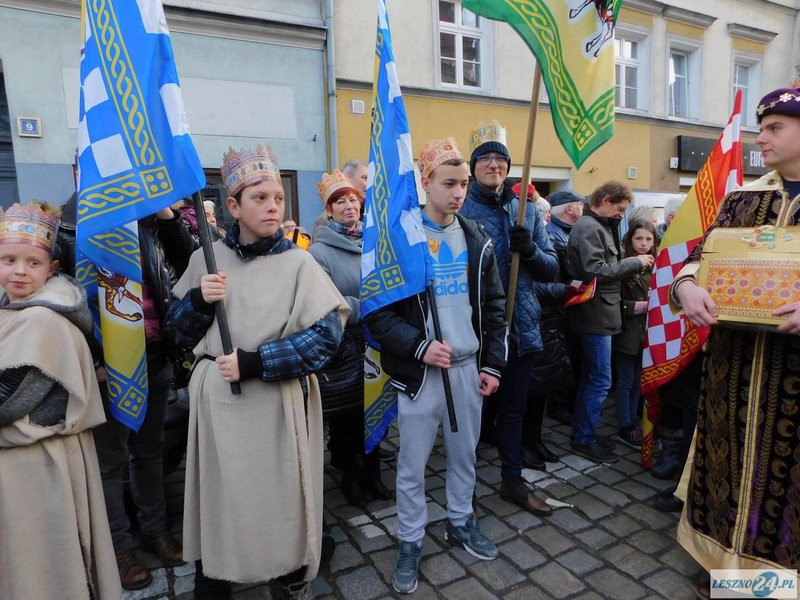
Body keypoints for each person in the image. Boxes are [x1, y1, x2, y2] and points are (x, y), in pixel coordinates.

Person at [164, 144, 349, 600]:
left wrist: (257, 362)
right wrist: (197, 303)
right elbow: (175, 335)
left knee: (280, 494)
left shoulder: (299, 262)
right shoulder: (207, 262)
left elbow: (326, 338)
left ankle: (287, 571)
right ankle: (217, 573)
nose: (271, 207)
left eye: (277, 198)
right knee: (223, 495)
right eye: (259, 198)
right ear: (233, 206)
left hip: (275, 403)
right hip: (219, 407)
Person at [671, 87, 800, 598]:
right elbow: (699, 259)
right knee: (725, 465)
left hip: (792, 374)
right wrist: (687, 288)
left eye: (775, 128)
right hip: (733, 369)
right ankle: (721, 566)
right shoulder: (743, 198)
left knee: (786, 481)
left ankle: (775, 581)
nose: (760, 138)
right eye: (760, 127)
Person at [364, 138, 508, 594]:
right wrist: (418, 346)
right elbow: (377, 312)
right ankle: (410, 538)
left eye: (464, 183)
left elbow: (495, 307)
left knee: (465, 455)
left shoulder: (476, 238)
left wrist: (493, 364)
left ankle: (460, 521)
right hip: (420, 375)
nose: (459, 192)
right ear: (425, 183)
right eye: (449, 183)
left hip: (467, 369)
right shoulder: (402, 241)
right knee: (412, 463)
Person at [0, 203, 121, 600]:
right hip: (21, 459)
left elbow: (11, 399)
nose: (19, 271)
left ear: (50, 269)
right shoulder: (10, 308)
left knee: (43, 566)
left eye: (32, 262)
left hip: (39, 463)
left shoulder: (44, 320)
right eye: (8, 259)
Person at [459, 120, 558, 516]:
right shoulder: (460, 208)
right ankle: (460, 486)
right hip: (475, 328)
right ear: (474, 165)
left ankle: (512, 481)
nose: (494, 165)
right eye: (486, 159)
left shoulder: (527, 209)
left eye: (501, 159)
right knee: (470, 413)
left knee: (513, 409)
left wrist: (530, 250)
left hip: (520, 327)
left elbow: (552, 268)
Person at [308, 169, 389, 506]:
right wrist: (370, 305)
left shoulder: (373, 240)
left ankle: (373, 470)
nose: (348, 206)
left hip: (379, 340)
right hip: (346, 344)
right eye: (339, 201)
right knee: (349, 414)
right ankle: (351, 474)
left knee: (377, 406)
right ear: (329, 211)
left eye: (351, 199)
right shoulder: (319, 252)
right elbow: (328, 303)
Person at [565, 181, 654, 463]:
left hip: (600, 314)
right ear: (605, 200)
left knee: (592, 378)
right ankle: (584, 438)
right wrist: (636, 262)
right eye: (620, 209)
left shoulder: (599, 225)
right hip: (595, 316)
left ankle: (583, 432)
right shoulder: (590, 227)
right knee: (601, 380)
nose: (621, 215)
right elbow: (596, 270)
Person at [613, 219, 656, 449]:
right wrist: (637, 307)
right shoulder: (624, 265)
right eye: (639, 238)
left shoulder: (654, 266)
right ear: (630, 240)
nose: (644, 243)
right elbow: (614, 301)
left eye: (648, 239)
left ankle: (635, 419)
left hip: (645, 334)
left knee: (639, 380)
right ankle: (625, 424)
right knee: (626, 380)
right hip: (627, 332)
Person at [543, 189, 585, 425]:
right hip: (561, 307)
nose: (583, 209)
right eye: (580, 204)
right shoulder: (555, 235)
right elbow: (564, 274)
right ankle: (559, 406)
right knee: (563, 357)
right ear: (569, 208)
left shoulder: (566, 232)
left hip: (567, 305)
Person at [312, 159, 369, 239]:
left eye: (352, 200)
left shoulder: (370, 214)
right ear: (348, 178)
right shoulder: (324, 221)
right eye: (365, 178)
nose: (349, 206)